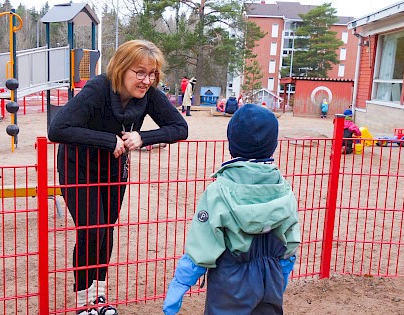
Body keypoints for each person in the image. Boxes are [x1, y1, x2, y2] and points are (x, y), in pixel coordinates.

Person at [48, 39, 189, 315]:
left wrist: (143, 137)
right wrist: (106, 140)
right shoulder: (97, 89)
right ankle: (82, 302)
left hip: (113, 170)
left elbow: (179, 127)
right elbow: (58, 128)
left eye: (152, 73)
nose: (147, 80)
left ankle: (98, 296)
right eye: (140, 72)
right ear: (122, 68)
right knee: (92, 230)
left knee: (106, 230)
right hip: (79, 167)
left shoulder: (149, 94)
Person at [163, 104, 301, 315]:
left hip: (230, 281)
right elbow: (289, 240)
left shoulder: (218, 191)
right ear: (273, 145)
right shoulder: (283, 188)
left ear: (232, 144)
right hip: (270, 278)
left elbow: (203, 245)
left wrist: (181, 283)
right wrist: (283, 272)